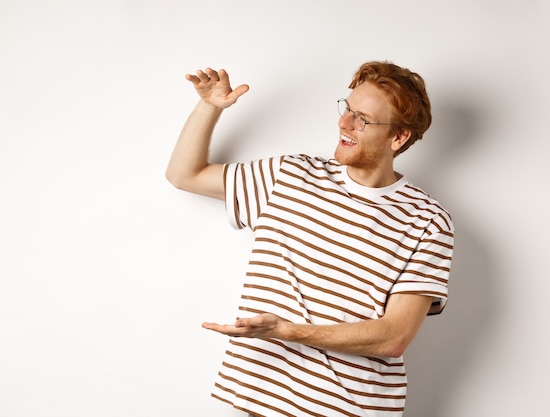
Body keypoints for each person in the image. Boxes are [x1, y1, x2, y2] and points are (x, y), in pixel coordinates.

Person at [166, 61, 454, 417]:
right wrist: (209, 106)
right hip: (259, 400)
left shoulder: (428, 221)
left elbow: (394, 337)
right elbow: (184, 175)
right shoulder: (291, 175)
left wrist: (287, 331)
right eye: (346, 109)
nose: (344, 124)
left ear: (398, 137)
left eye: (362, 119)